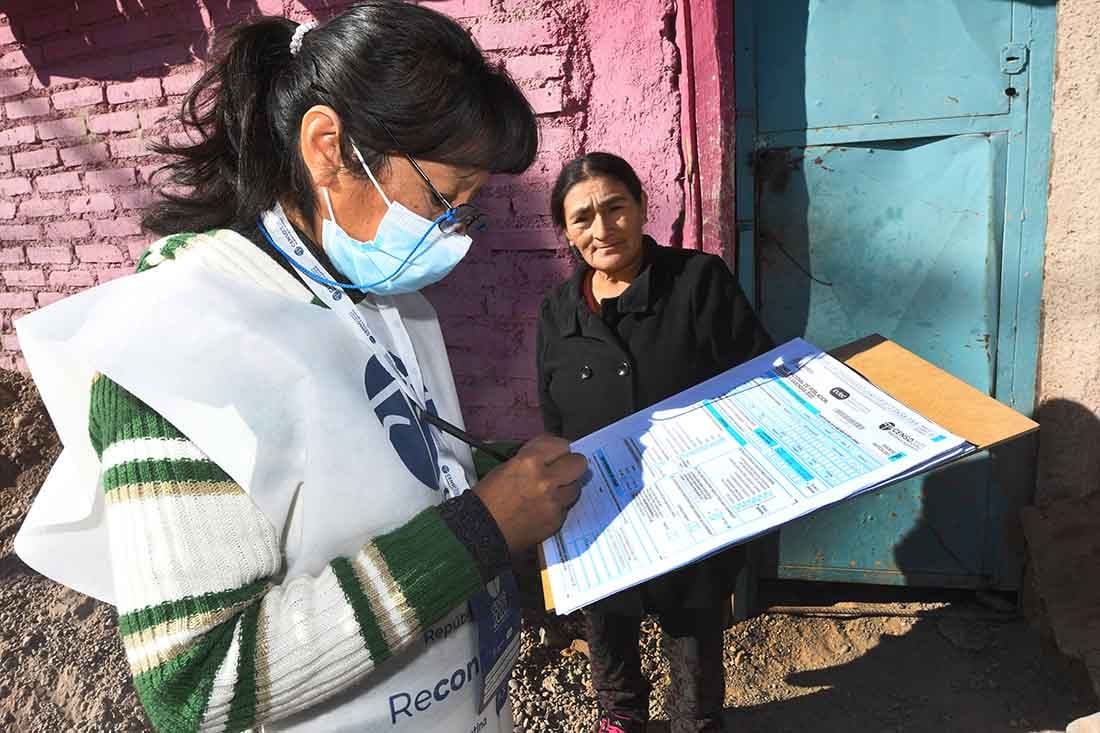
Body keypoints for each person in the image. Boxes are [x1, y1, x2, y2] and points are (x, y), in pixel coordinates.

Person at [14, 4, 586, 732]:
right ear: (327, 147)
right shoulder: (171, 352)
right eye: (446, 197)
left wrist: (506, 477)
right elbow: (196, 684)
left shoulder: (382, 299)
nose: (456, 234)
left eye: (471, 209)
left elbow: (388, 483)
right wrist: (481, 528)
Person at [536, 153, 773, 733]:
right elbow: (554, 416)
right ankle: (620, 717)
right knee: (608, 630)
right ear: (566, 231)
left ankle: (695, 721)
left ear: (642, 208)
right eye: (582, 217)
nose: (602, 228)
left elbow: (760, 378)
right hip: (602, 514)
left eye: (615, 208)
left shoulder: (698, 282)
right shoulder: (557, 313)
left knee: (692, 637)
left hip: (693, 507)